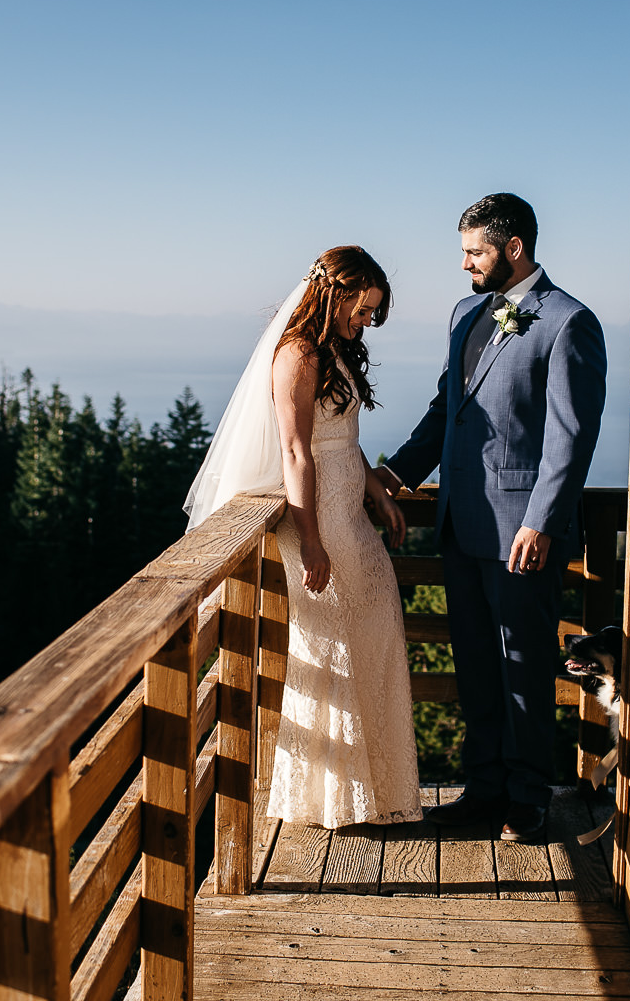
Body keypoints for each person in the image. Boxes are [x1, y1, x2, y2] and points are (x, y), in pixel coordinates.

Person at [373, 194, 607, 844]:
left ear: (513, 250)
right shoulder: (464, 312)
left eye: (473, 252)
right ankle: (483, 792)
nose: (464, 265)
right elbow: (447, 405)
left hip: (522, 535)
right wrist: (396, 473)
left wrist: (542, 521)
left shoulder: (569, 322)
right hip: (460, 522)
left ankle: (528, 799)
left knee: (525, 669)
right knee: (477, 666)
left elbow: (571, 437)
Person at [183, 246, 423, 829]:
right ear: (337, 294)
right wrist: (311, 537)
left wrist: (378, 491)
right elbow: (296, 450)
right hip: (318, 514)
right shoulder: (295, 353)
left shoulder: (334, 349)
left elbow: (344, 436)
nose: (367, 322)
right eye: (364, 309)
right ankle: (328, 796)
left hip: (348, 506)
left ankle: (379, 784)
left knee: (376, 626)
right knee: (330, 642)